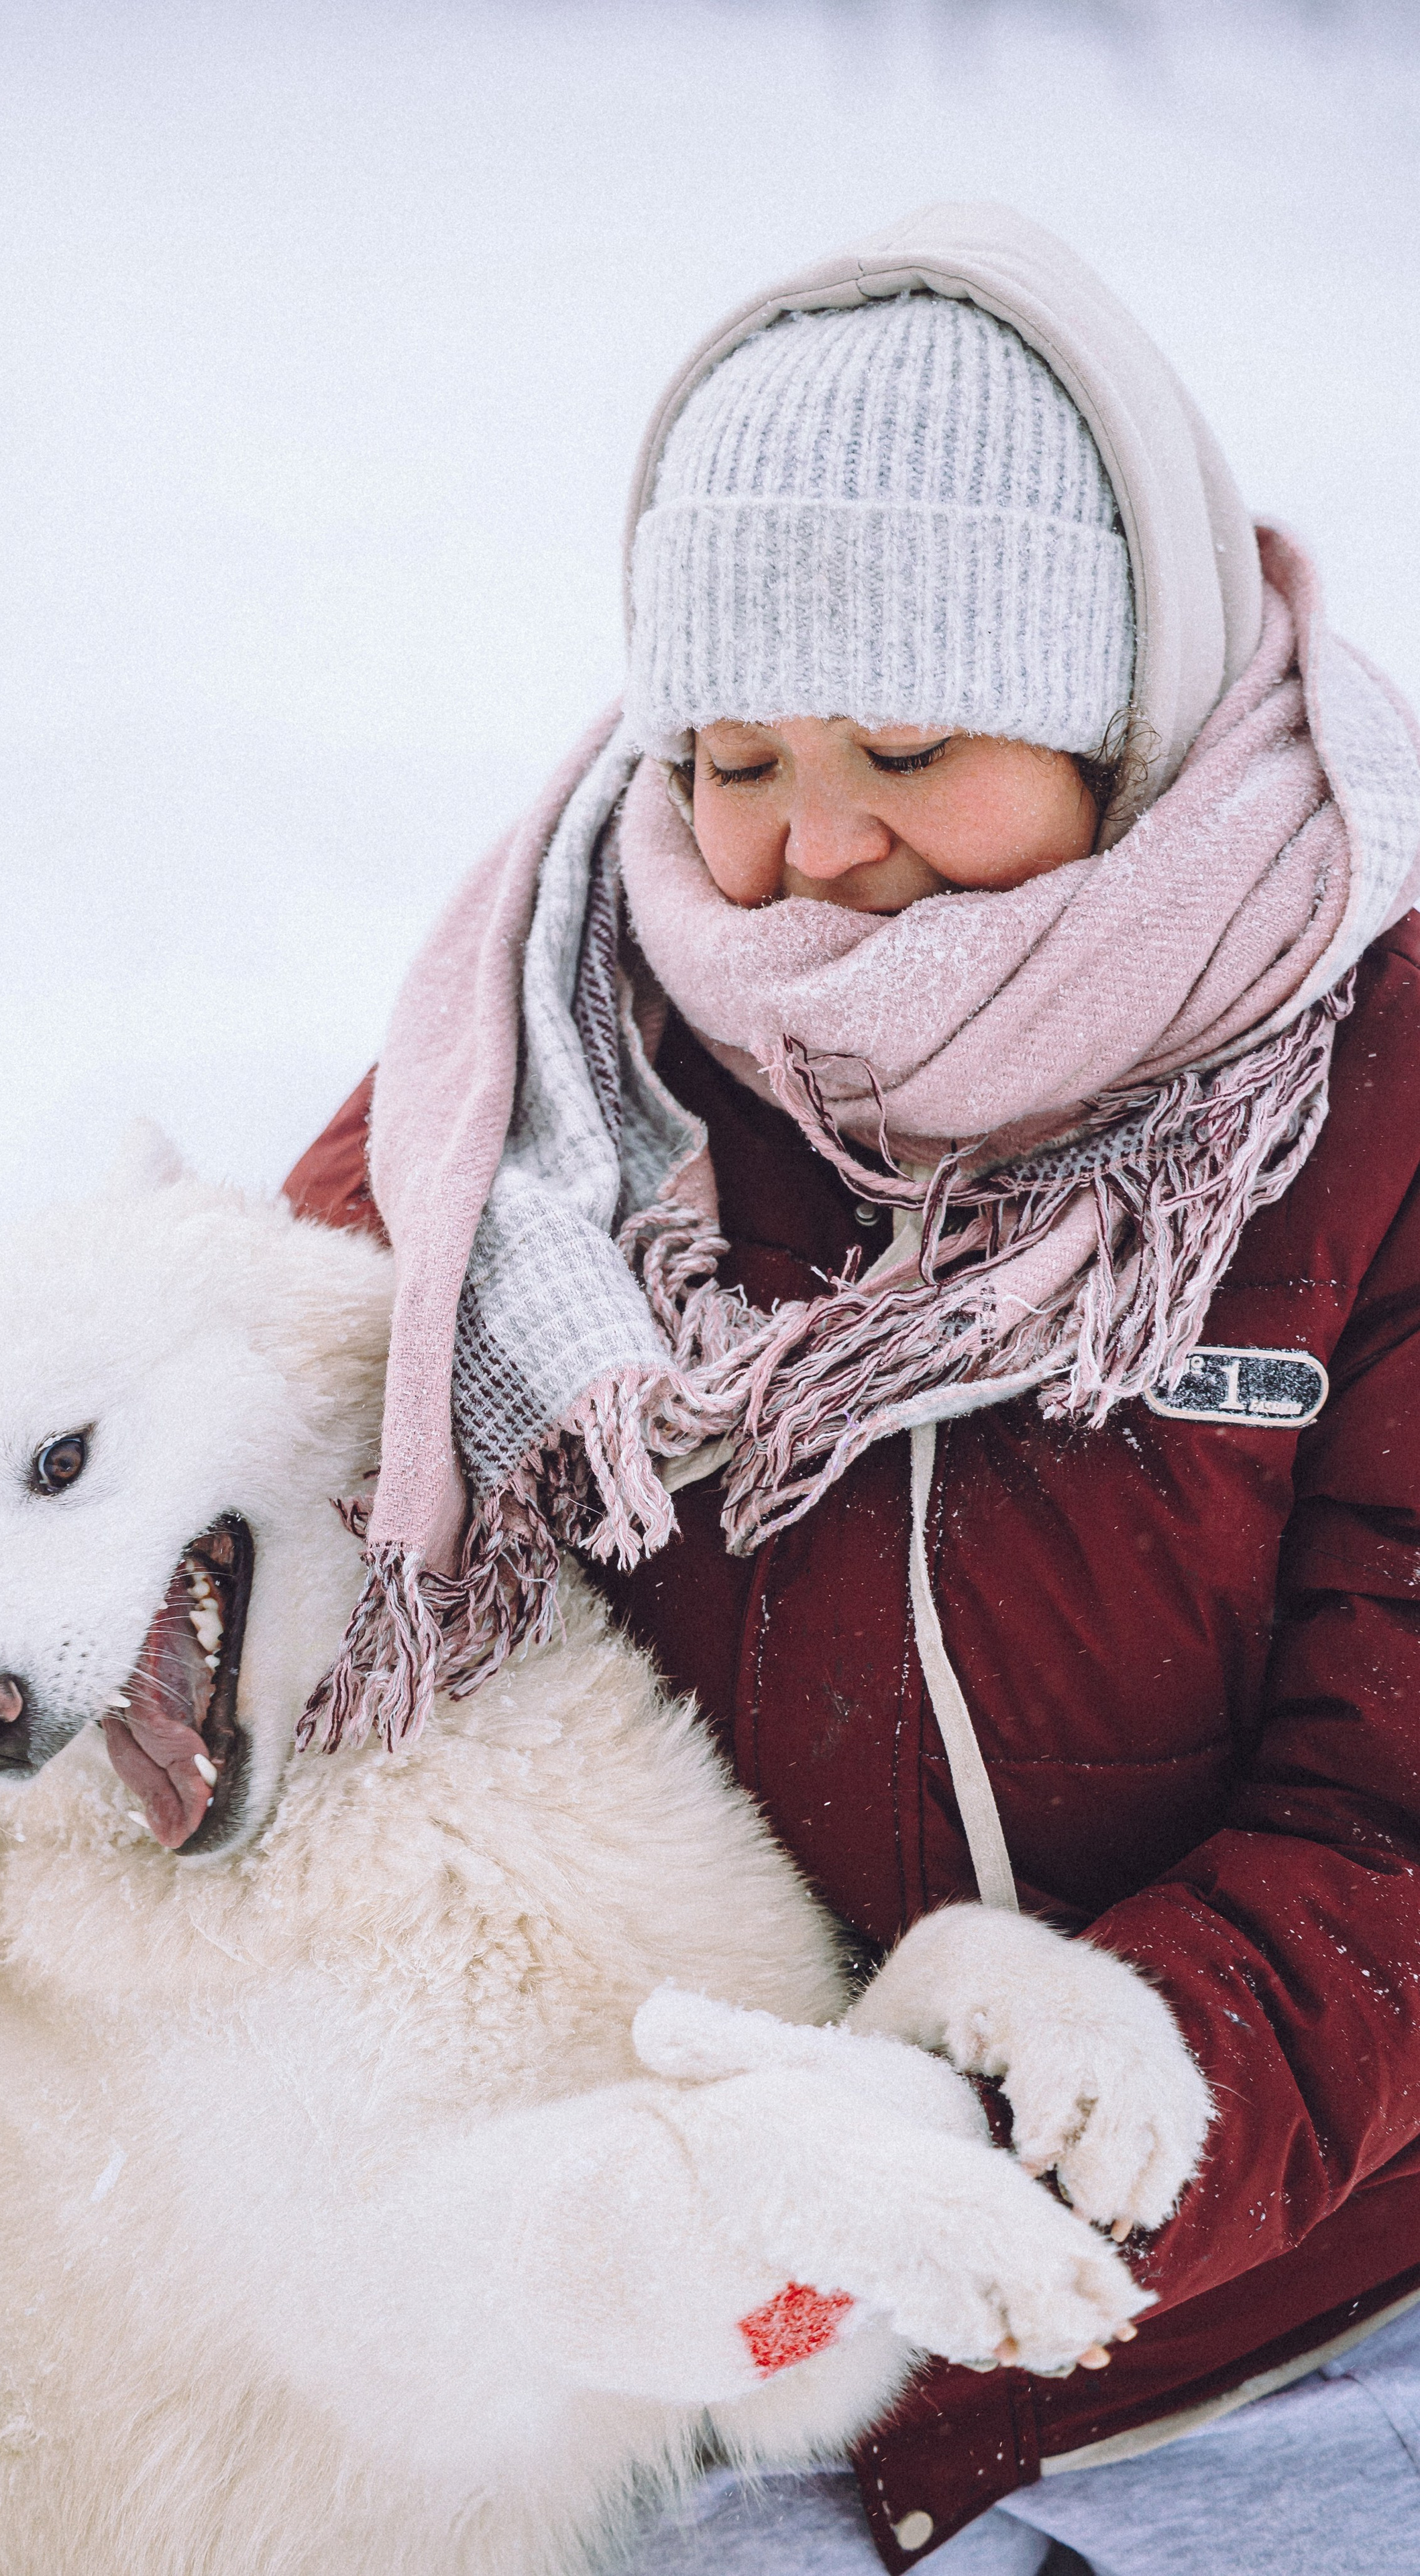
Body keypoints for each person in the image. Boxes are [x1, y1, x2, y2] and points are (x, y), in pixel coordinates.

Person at [283, 205, 1420, 2573]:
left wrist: (1080, 2113)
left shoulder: (1378, 1082)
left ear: (1126, 712)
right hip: (726, 2366)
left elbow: (1395, 1828)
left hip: (1305, 2386)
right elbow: (251, 1451)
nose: (809, 854)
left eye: (910, 744)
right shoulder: (545, 1075)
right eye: (732, 757)